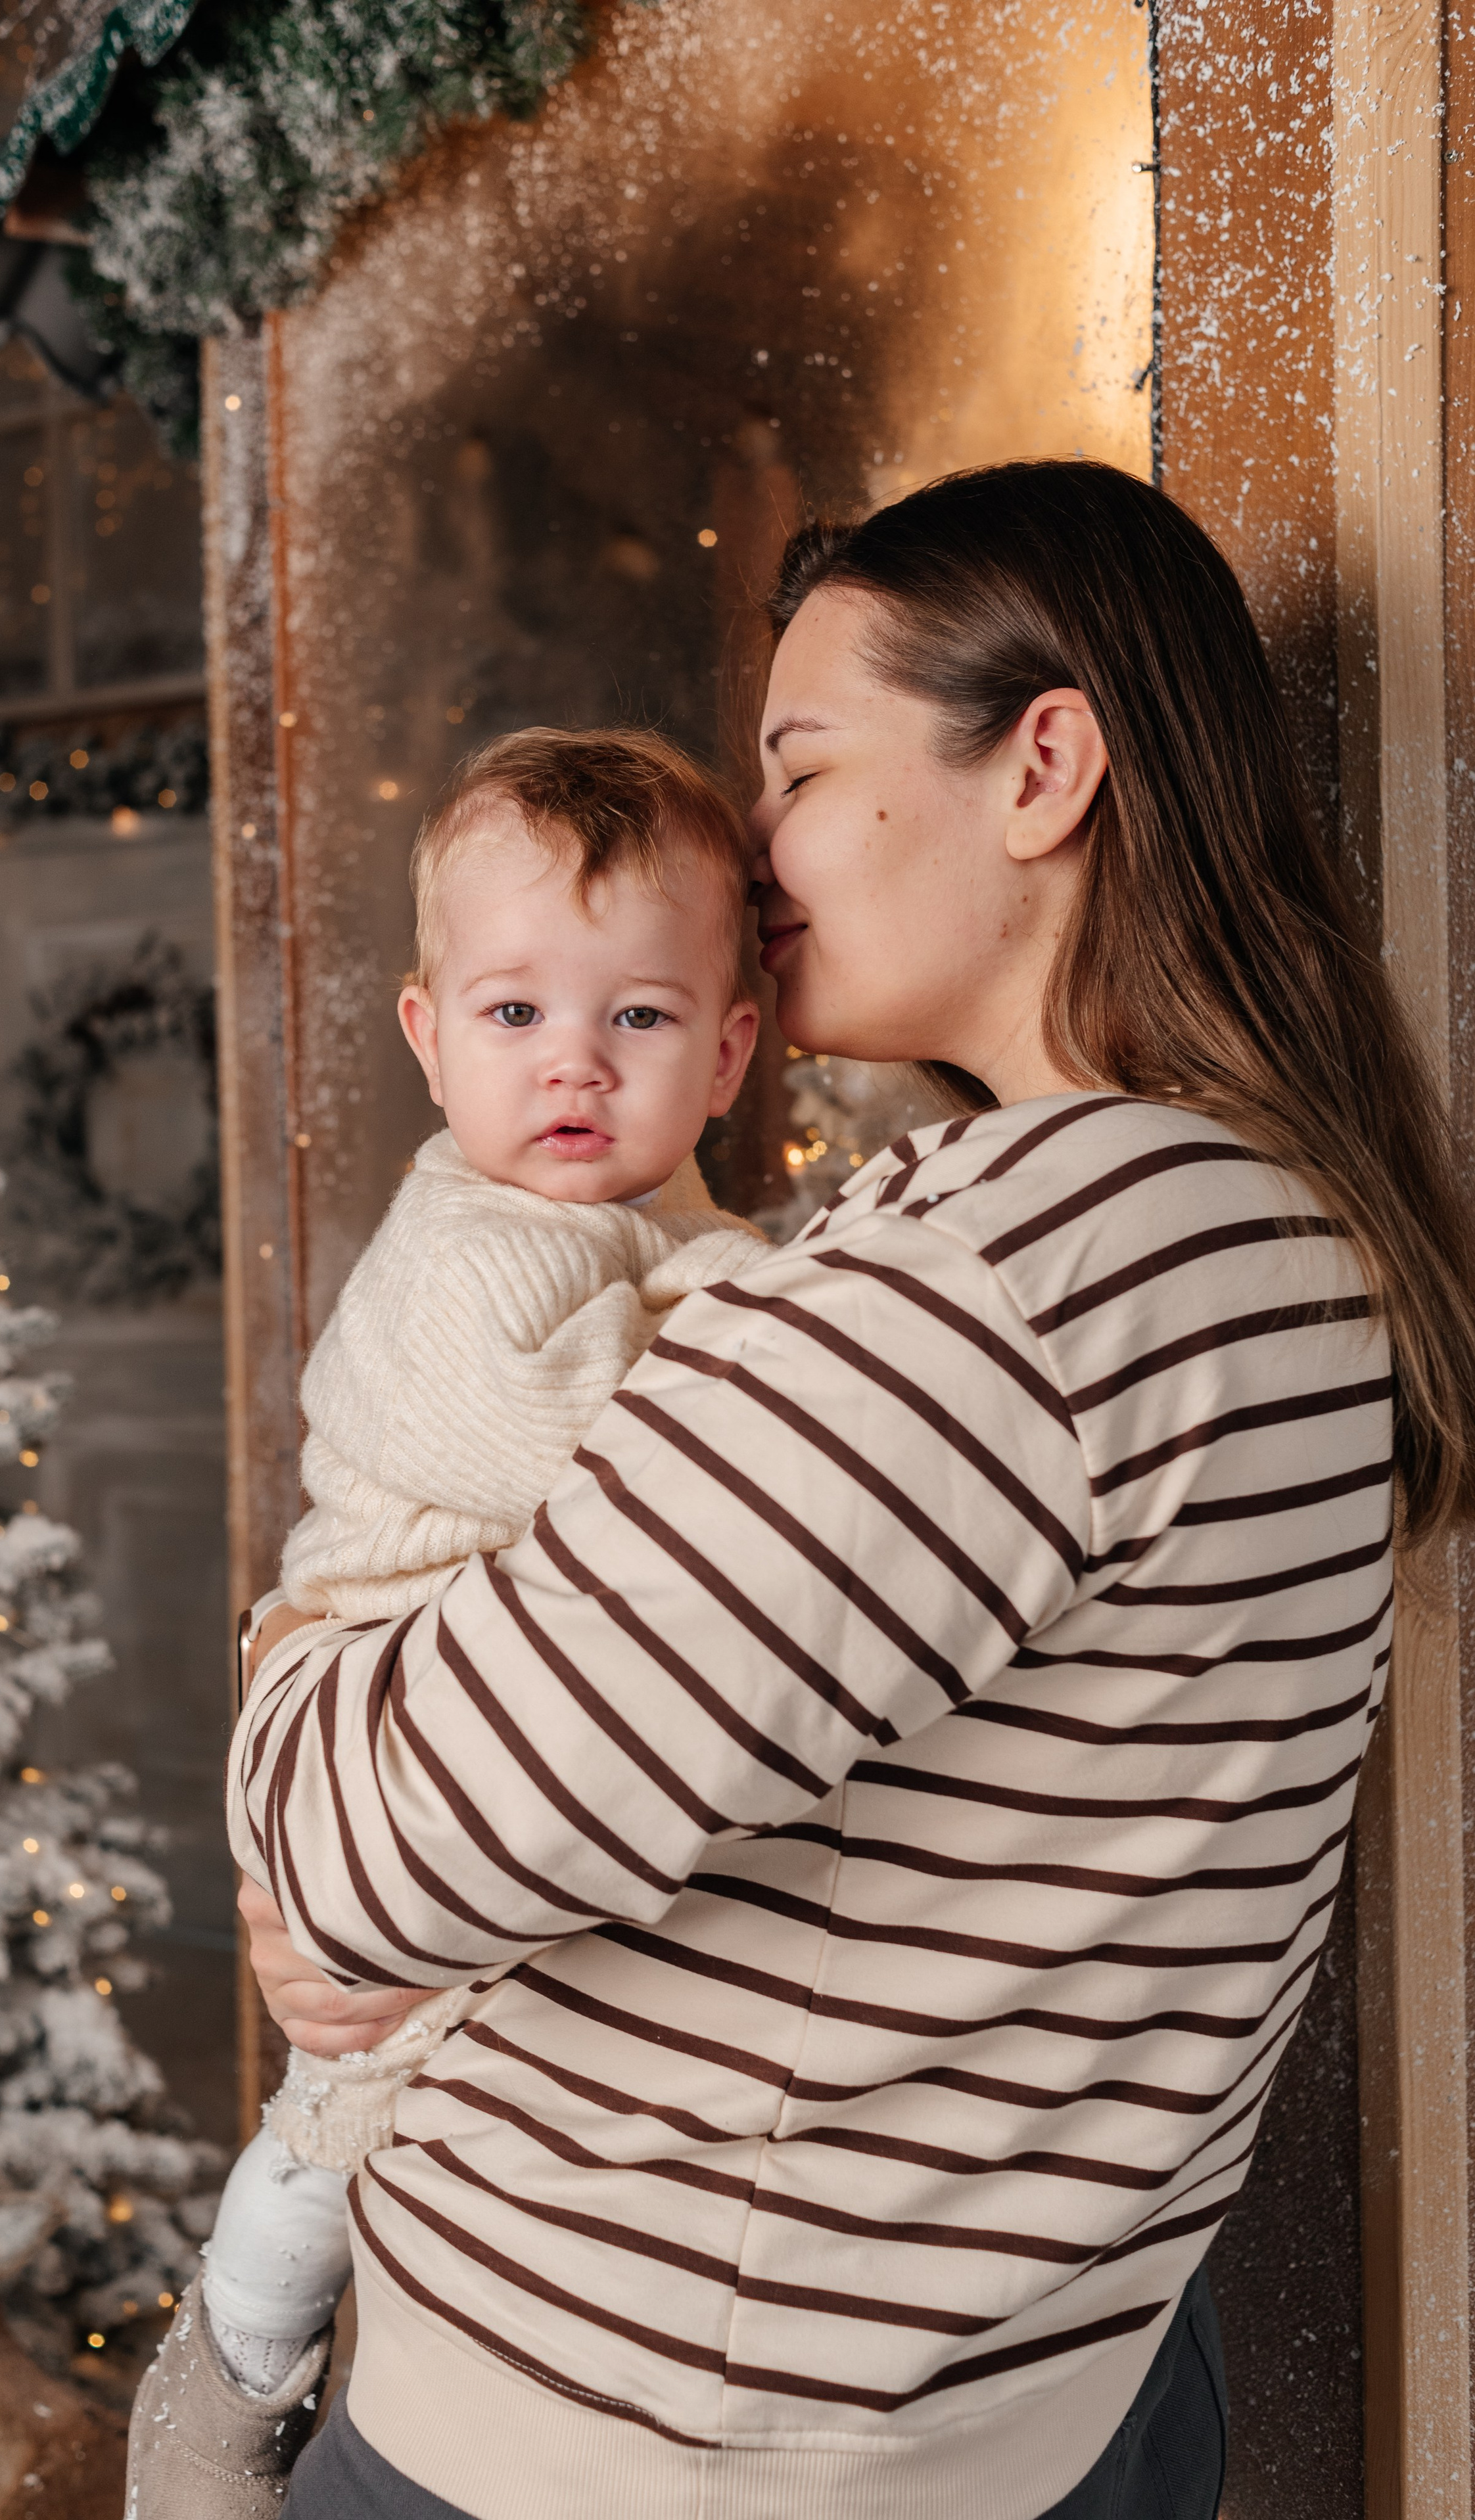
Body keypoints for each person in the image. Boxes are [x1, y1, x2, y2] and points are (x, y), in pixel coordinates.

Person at [231, 461, 1475, 2520]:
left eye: (801, 764)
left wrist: (299, 1656)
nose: (759, 846)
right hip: (1019, 2386)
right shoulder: (1274, 1226)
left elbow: (370, 1856)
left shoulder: (1025, 1261)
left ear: (1044, 765)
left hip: (657, 2445)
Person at [125, 731, 766, 2519]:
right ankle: (239, 2355)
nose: (572, 1060)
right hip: (386, 1654)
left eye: (638, 1019)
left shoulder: (657, 1224)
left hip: (476, 1718)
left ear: (728, 1051)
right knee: (365, 2078)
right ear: (425, 1036)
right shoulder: (476, 1251)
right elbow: (625, 1464)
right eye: (512, 1017)